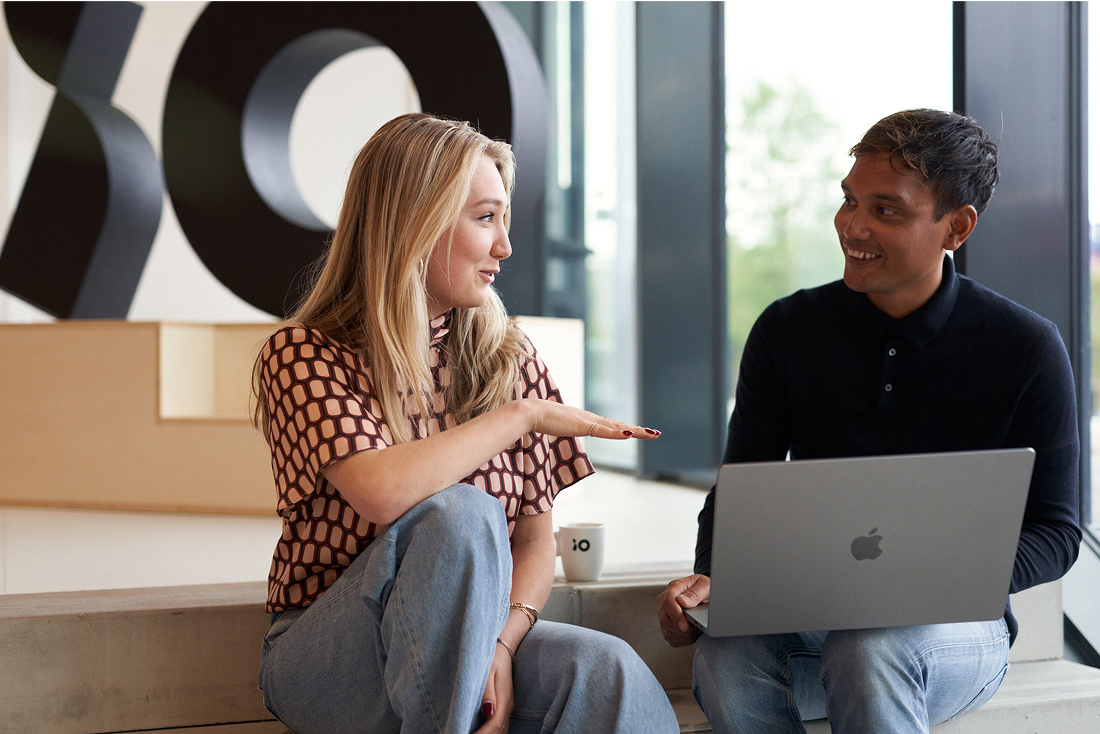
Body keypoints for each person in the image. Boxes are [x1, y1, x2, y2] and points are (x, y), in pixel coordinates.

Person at [658, 109, 1081, 733]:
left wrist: (947, 576)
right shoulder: (786, 331)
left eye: (887, 210)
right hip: (811, 611)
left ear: (956, 228)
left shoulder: (1026, 347)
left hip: (957, 631)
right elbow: (742, 489)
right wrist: (716, 579)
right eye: (849, 200)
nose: (853, 226)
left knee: (870, 646)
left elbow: (1057, 531)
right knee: (727, 654)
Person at [254, 113, 679, 734]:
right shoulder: (304, 353)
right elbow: (383, 492)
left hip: (476, 638)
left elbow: (535, 544)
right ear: (414, 222)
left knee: (606, 667)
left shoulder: (510, 354)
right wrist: (522, 415)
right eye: (485, 218)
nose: (504, 246)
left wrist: (501, 649)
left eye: (504, 219)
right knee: (461, 514)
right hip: (330, 655)